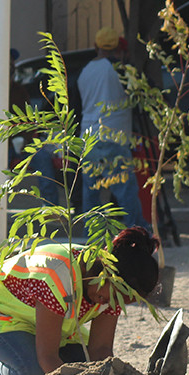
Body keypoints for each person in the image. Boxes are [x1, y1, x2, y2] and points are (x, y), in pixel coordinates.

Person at [0, 227, 159, 375]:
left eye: (123, 303)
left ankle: (15, 354)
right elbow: (48, 357)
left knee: (85, 366)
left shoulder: (112, 292)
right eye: (116, 297)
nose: (113, 305)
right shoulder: (58, 275)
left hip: (46, 326)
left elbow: (100, 351)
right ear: (107, 272)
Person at [79, 27, 149, 230]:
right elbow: (139, 95)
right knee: (125, 189)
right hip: (113, 136)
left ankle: (89, 235)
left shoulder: (85, 71)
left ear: (96, 46)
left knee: (90, 191)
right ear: (119, 48)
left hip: (88, 138)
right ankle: (137, 231)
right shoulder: (119, 70)